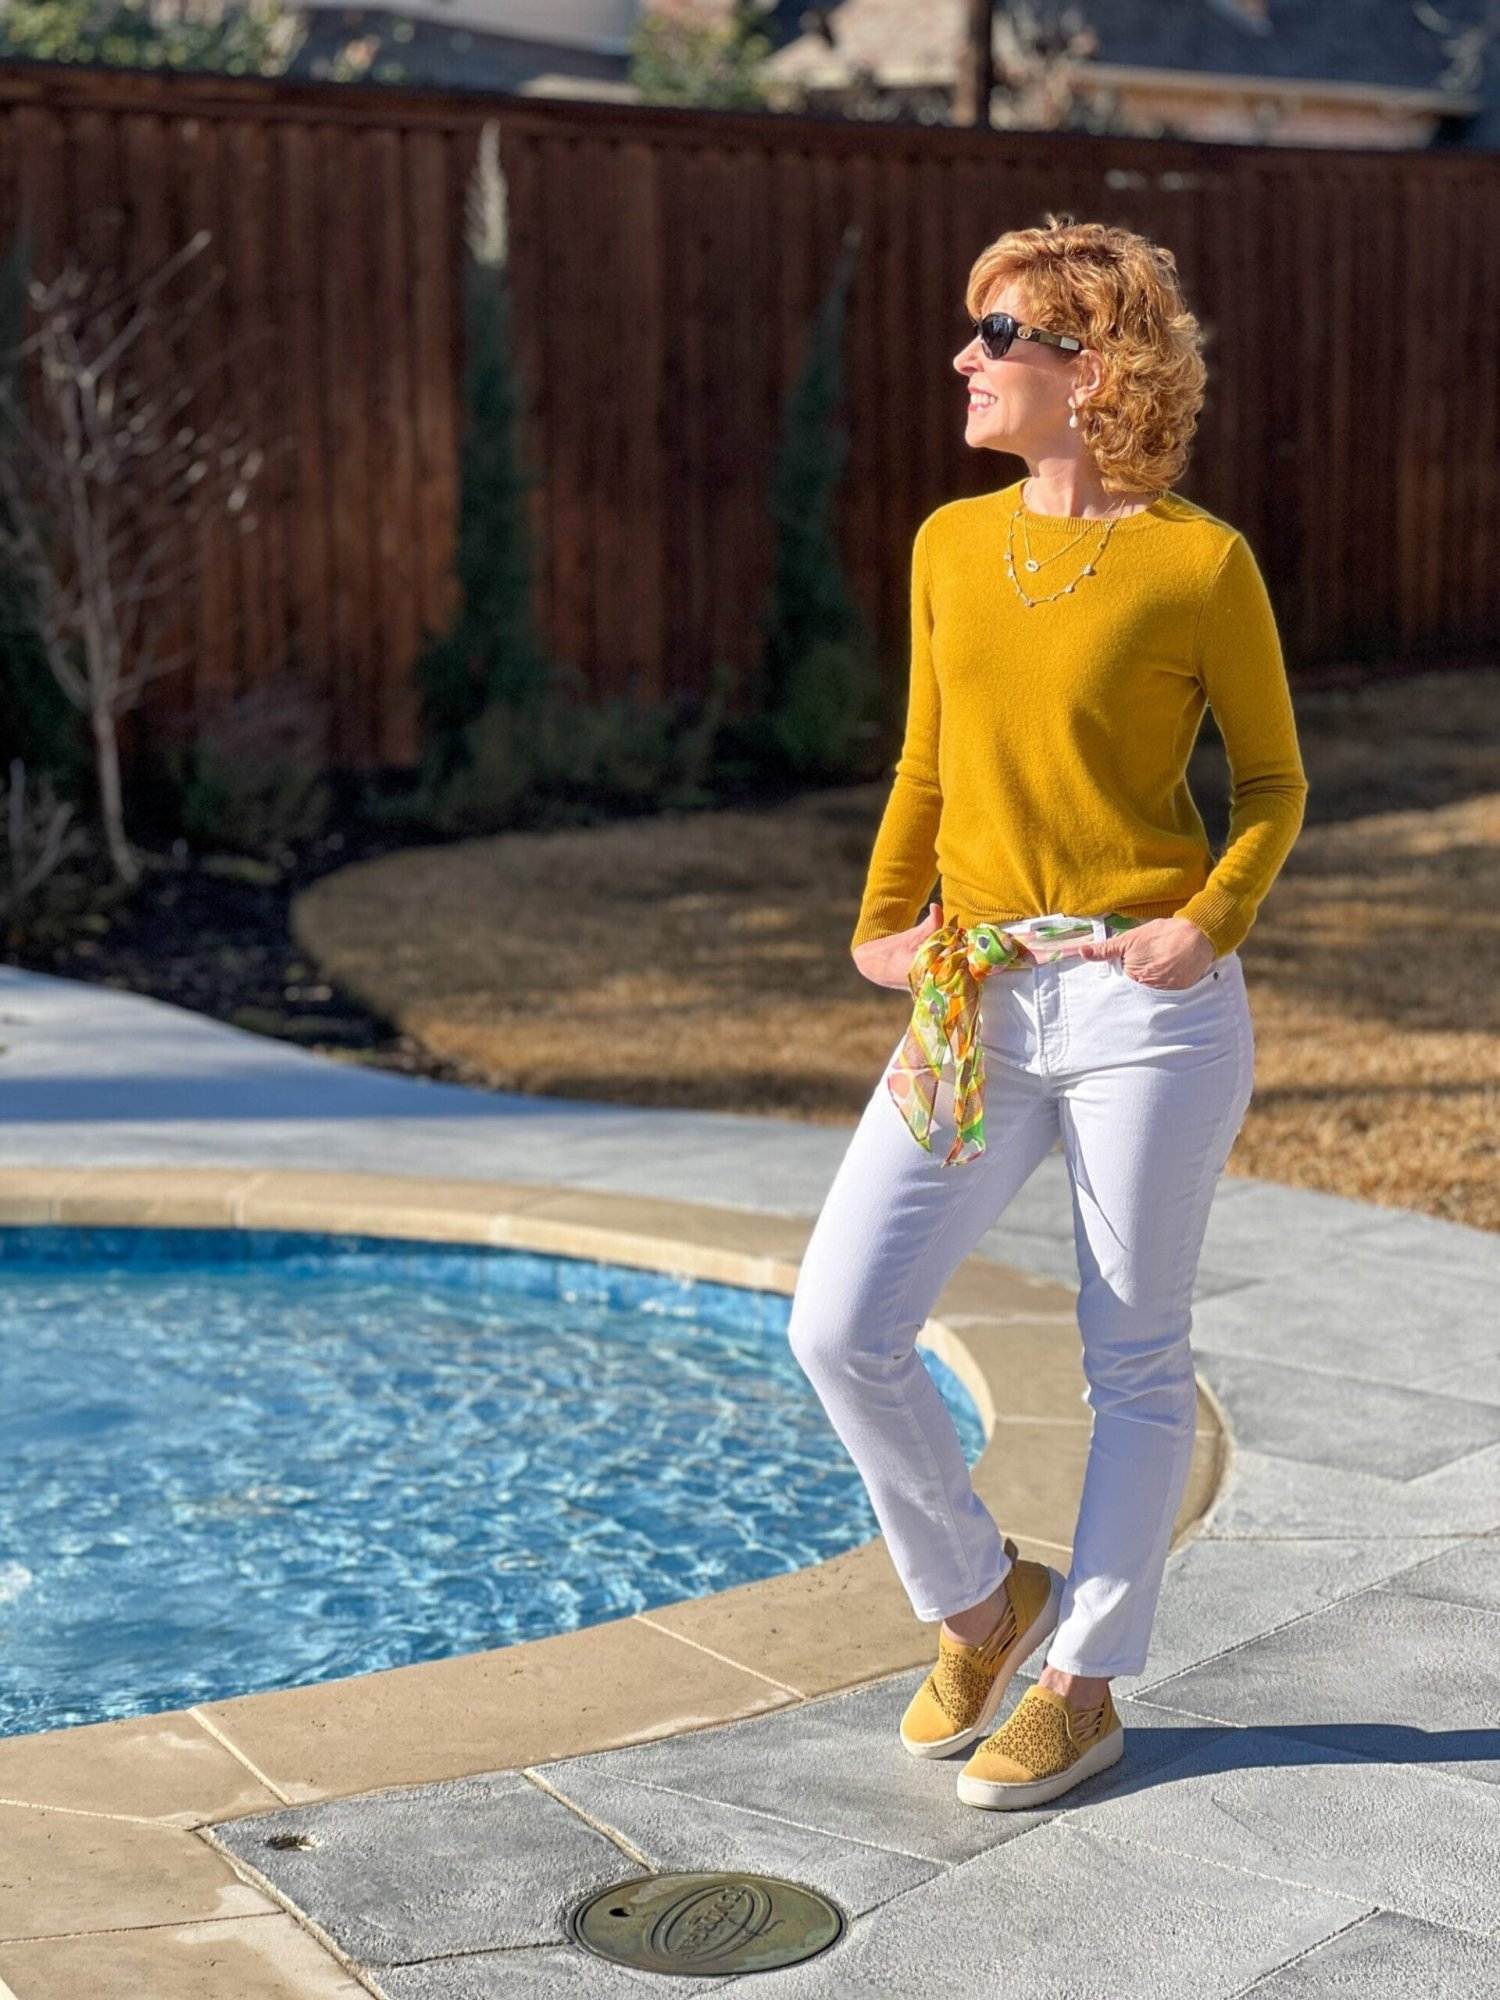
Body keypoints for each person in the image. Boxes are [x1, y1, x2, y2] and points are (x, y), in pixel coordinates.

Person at [785, 214, 1308, 1812]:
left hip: (1146, 1013)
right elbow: (928, 763)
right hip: (970, 1001)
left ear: (1095, 373)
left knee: (1134, 1356)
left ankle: (1082, 1680)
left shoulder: (1199, 562)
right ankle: (976, 1601)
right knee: (841, 1324)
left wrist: (1202, 924)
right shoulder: (953, 543)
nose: (965, 359)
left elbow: (1274, 788)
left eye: (997, 337)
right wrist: (883, 923)